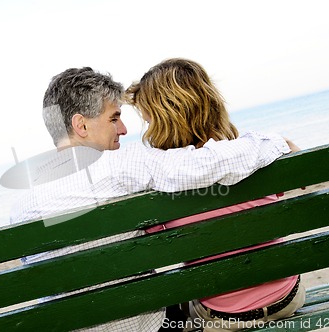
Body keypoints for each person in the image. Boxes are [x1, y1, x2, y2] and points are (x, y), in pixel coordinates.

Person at [10, 67, 293, 332]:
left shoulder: (23, 198)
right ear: (81, 125)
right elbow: (207, 164)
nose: (122, 129)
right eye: (113, 118)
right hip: (146, 325)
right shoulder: (120, 163)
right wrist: (275, 142)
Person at [126, 58, 305, 332]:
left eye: (147, 117)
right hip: (287, 296)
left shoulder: (159, 183)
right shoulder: (259, 155)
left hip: (221, 316)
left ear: (161, 118)